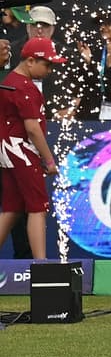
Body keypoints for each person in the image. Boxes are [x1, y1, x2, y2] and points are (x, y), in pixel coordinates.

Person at [0, 38, 63, 260]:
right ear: (30, 61)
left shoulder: (10, 81)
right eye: (47, 64)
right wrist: (49, 160)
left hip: (8, 150)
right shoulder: (25, 87)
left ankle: (40, 263)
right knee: (38, 208)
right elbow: (33, 129)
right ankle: (41, 265)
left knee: (12, 208)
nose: (49, 70)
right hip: (22, 150)